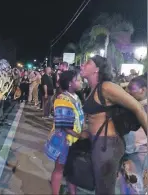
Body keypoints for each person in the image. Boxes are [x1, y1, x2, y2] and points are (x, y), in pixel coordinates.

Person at [80, 55, 147, 195]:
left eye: (87, 63)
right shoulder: (92, 88)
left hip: (108, 146)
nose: (82, 65)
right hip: (98, 143)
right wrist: (86, 131)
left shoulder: (106, 87)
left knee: (105, 190)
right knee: (100, 185)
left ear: (97, 69)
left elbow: (138, 108)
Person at [45, 70, 86, 195]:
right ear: (69, 83)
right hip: (64, 141)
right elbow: (65, 127)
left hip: (73, 140)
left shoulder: (75, 97)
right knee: (59, 169)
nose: (81, 82)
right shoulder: (63, 99)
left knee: (70, 169)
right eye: (78, 80)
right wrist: (81, 135)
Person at [119, 75, 148, 194]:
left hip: (139, 151)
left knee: (137, 185)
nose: (128, 92)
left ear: (143, 90)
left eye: (132, 88)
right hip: (126, 150)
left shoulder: (143, 108)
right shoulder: (130, 105)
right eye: (128, 88)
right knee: (126, 182)